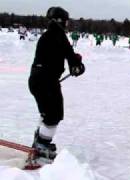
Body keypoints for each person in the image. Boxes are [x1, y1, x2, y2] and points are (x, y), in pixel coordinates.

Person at [28, 7, 85, 159]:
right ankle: (41, 145)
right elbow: (70, 55)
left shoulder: (47, 35)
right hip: (46, 81)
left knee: (48, 113)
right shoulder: (58, 35)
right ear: (60, 21)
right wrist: (77, 64)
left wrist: (74, 62)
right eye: (66, 21)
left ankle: (40, 141)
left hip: (37, 80)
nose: (67, 24)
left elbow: (58, 54)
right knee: (54, 114)